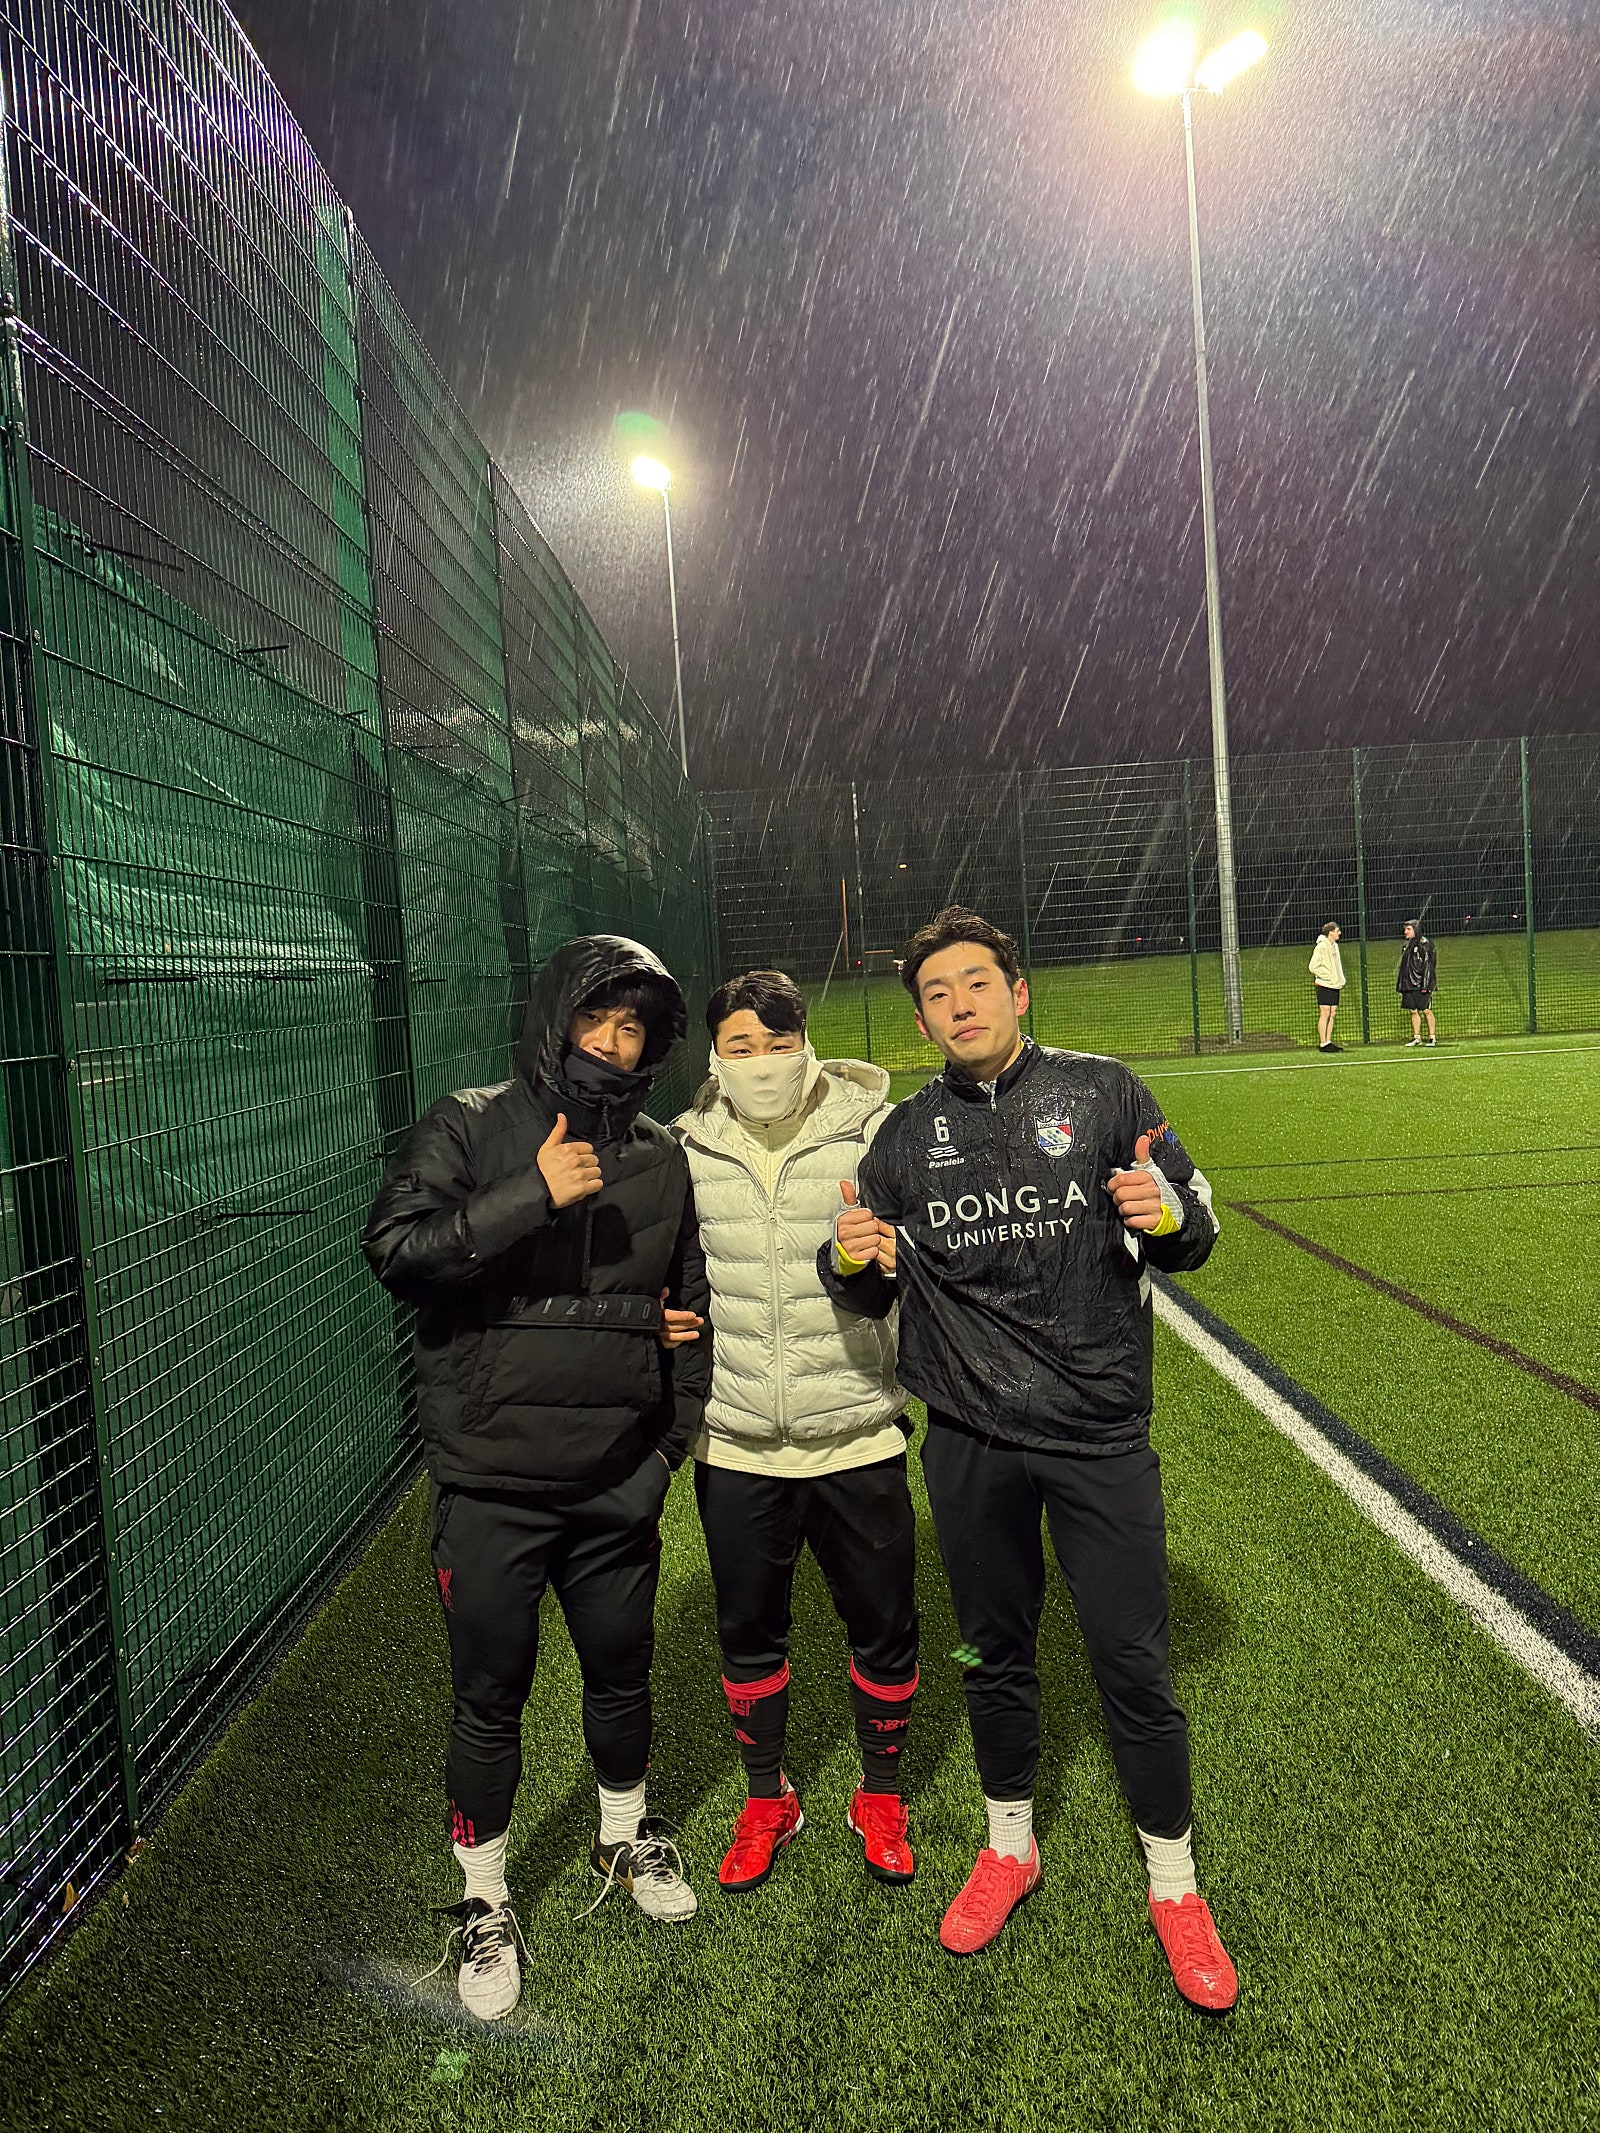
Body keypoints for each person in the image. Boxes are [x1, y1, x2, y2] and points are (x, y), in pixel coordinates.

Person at [819, 906, 1237, 2014]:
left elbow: (1196, 1229)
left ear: (1018, 992)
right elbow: (862, 1284)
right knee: (990, 1652)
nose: (959, 1005)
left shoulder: (1106, 1093)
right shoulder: (903, 1137)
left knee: (1132, 1665)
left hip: (1098, 1433)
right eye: (937, 994)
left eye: (976, 983)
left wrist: (1165, 1217)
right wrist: (848, 1258)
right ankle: (1010, 1846)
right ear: (920, 1021)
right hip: (969, 1442)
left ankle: (1174, 1884)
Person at [362, 937, 708, 2020]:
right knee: (488, 1698)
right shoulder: (469, 1125)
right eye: (595, 1018)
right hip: (491, 1488)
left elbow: (690, 1315)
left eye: (632, 1027)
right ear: (556, 1018)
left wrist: (664, 1454)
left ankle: (623, 1837)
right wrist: (529, 1195)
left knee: (621, 1672)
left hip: (615, 1487)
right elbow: (397, 1254)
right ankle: (483, 1897)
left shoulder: (662, 1156)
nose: (612, 1041)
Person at [673, 970, 918, 1892]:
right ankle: (767, 1796)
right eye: (741, 1046)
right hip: (736, 1440)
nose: (763, 1062)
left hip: (857, 1431)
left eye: (778, 1043)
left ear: (806, 1042)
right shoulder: (685, 1146)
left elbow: (923, 1248)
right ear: (714, 1057)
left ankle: (880, 1793)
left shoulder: (874, 1129)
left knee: (884, 1627)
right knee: (748, 1634)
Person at [1397, 920, 1437, 1046]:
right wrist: (1402, 985)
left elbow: (1428, 966)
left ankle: (1432, 1037)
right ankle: (1417, 1037)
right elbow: (1404, 968)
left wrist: (1426, 984)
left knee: (1426, 1010)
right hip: (1408, 984)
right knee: (1413, 1011)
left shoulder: (1425, 944)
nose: (1405, 932)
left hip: (1420, 983)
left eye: (1408, 929)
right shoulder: (1406, 946)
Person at [1309, 921, 1346, 1052]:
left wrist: (1339, 979)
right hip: (1324, 984)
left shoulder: (1334, 946)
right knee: (1325, 1012)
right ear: (1330, 933)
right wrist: (1328, 975)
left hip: (1334, 984)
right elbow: (1313, 966)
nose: (1339, 933)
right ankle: (1323, 1042)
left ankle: (1328, 1041)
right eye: (1337, 931)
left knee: (1332, 1012)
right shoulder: (1321, 947)